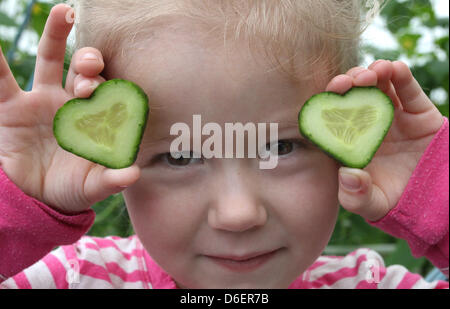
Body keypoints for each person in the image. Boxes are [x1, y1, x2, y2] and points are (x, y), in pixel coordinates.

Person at [0, 1, 448, 289]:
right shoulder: (75, 280)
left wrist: (438, 196)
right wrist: (17, 207)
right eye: (180, 155)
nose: (238, 214)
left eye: (280, 148)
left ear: (342, 145)